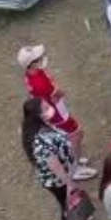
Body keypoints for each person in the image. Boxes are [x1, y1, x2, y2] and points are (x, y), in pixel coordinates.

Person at [21, 98, 93, 220]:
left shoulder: (39, 126)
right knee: (65, 205)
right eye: (46, 108)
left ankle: (82, 212)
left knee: (72, 198)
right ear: (38, 115)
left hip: (64, 173)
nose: (50, 109)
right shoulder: (40, 142)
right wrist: (69, 183)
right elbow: (55, 166)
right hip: (58, 180)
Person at [18, 45, 96, 180]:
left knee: (70, 136)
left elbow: (50, 84)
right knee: (76, 134)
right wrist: (58, 93)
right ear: (31, 64)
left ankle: (74, 159)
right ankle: (74, 168)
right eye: (38, 58)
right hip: (56, 113)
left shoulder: (32, 74)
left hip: (54, 109)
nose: (41, 58)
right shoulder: (38, 82)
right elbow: (51, 96)